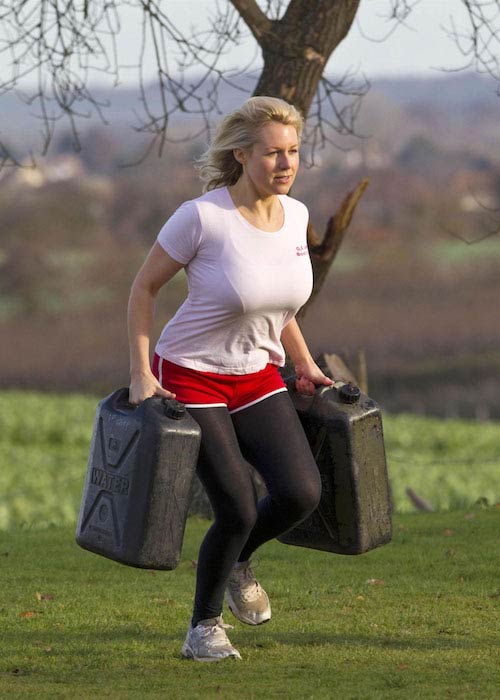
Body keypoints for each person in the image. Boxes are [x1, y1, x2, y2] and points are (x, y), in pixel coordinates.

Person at [127, 96, 333, 662]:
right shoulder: (201, 218)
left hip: (257, 372)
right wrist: (141, 373)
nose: (285, 163)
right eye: (272, 153)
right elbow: (143, 289)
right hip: (189, 375)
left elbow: (279, 306)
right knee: (238, 505)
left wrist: (306, 364)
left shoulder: (297, 215)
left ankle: (239, 560)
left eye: (293, 152)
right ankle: (204, 627)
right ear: (242, 154)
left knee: (300, 492)